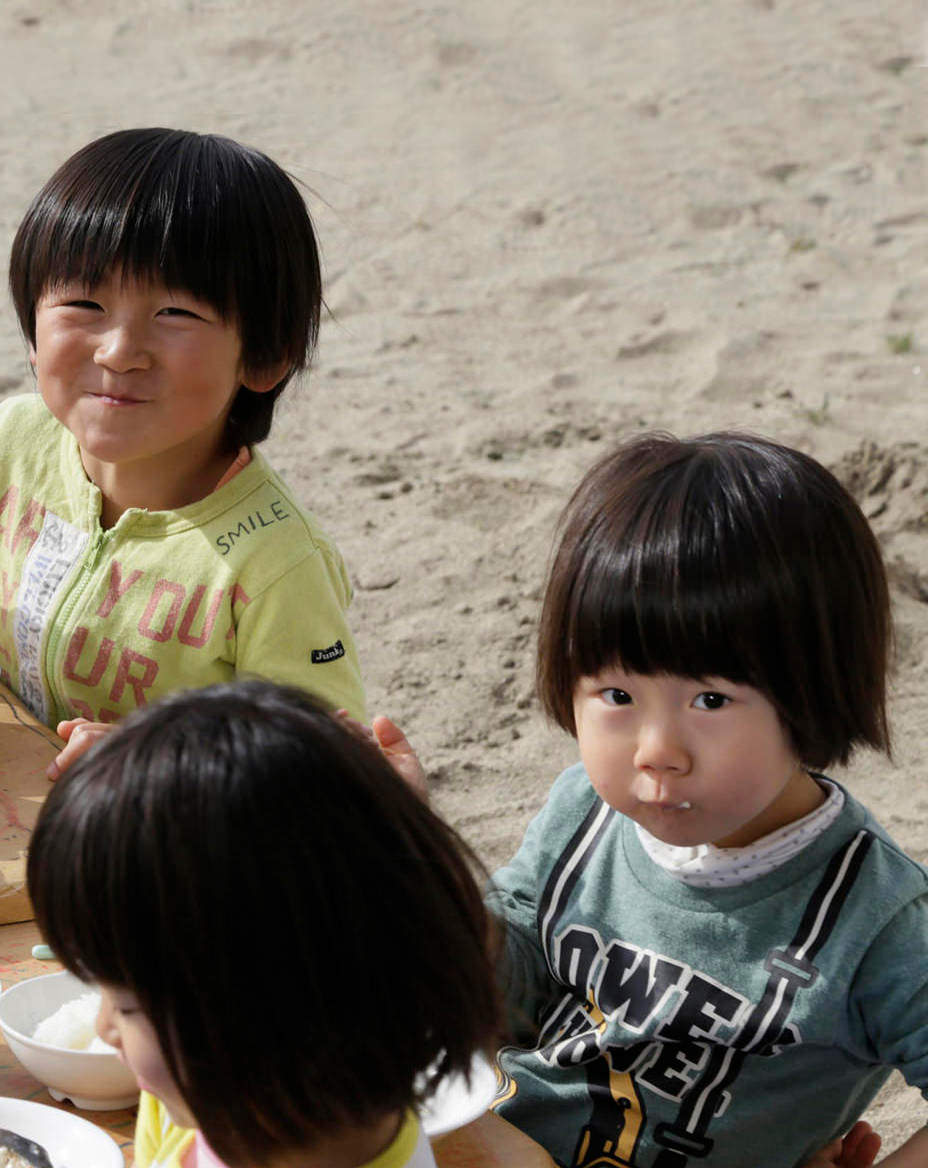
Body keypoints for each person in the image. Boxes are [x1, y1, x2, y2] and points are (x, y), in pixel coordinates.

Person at [390, 433, 928, 1168]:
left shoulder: (873, 917)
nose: (656, 749)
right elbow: (499, 995)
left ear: (812, 692)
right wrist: (409, 859)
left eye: (710, 698)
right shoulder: (586, 811)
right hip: (505, 1135)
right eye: (617, 695)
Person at [0, 128, 368, 771]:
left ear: (265, 356)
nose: (118, 351)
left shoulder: (274, 567)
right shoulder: (14, 442)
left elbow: (316, 768)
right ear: (32, 331)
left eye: (175, 313)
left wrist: (157, 761)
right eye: (84, 303)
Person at [28, 679, 500, 1168]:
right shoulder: (218, 1098)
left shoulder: (210, 1088)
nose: (104, 1027)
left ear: (266, 1011)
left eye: (126, 1005)